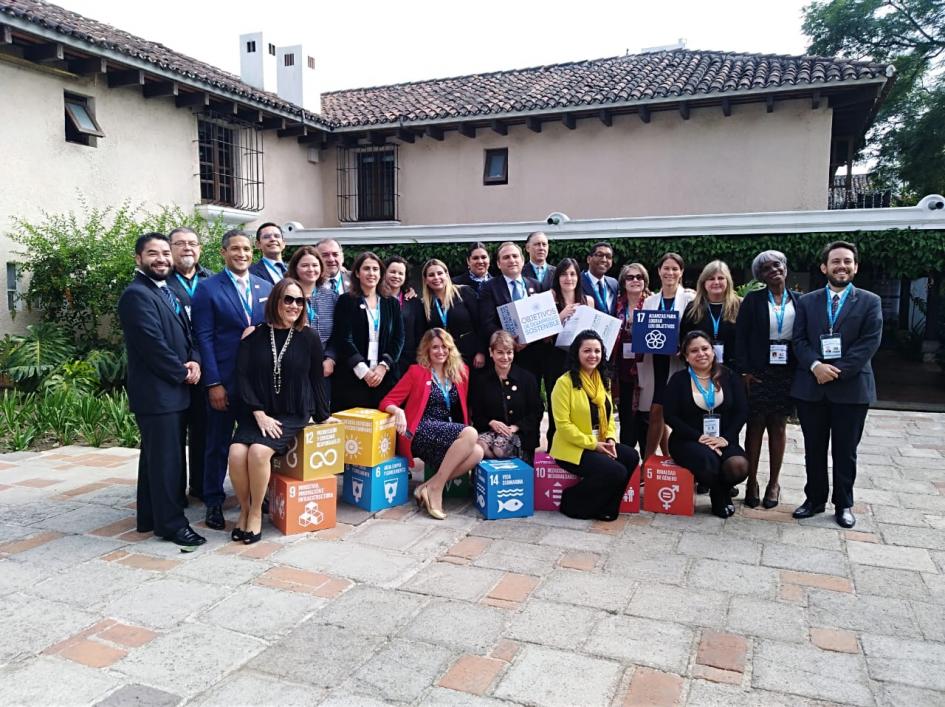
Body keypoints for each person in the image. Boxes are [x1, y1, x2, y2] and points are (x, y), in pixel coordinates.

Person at [117, 233, 205, 547]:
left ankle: (150, 516)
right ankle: (171, 525)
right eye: (153, 253)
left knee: (156, 458)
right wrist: (181, 371)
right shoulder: (136, 295)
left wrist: (194, 360)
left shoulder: (167, 291)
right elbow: (151, 344)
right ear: (138, 259)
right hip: (158, 393)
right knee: (167, 460)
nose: (162, 259)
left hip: (174, 390)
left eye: (166, 253)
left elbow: (187, 333)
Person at [229, 278, 332, 544]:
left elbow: (316, 378)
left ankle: (255, 513)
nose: (295, 305)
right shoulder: (254, 335)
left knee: (259, 452)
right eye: (288, 299)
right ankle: (243, 509)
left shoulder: (308, 336)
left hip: (292, 411)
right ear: (276, 300)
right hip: (259, 411)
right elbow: (243, 378)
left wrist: (323, 415)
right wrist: (258, 412)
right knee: (237, 452)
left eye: (300, 301)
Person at [791, 241, 882, 529]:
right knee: (813, 449)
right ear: (824, 267)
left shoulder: (870, 301)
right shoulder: (807, 301)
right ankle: (814, 500)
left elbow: (869, 343)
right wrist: (816, 366)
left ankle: (843, 504)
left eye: (847, 262)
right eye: (835, 262)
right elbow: (799, 340)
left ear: (855, 267)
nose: (841, 266)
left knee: (845, 450)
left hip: (851, 389)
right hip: (812, 386)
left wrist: (837, 371)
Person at [191, 229, 273, 530]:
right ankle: (213, 500)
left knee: (256, 442)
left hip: (257, 384)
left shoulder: (264, 286)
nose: (242, 254)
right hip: (224, 380)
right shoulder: (208, 288)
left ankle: (256, 496)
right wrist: (213, 383)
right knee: (218, 443)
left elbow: (274, 329)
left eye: (247, 249)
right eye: (235, 249)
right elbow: (204, 337)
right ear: (223, 253)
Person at [381, 329, 483, 520]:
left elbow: (464, 407)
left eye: (444, 346)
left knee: (478, 452)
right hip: (420, 430)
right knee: (470, 433)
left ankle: (428, 486)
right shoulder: (416, 372)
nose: (440, 351)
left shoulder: (461, 372)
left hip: (445, 430)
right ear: (427, 350)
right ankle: (435, 490)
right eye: (435, 347)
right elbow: (387, 401)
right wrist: (399, 411)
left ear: (450, 349)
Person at [550, 330, 639, 521]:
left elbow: (610, 416)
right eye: (587, 351)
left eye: (597, 351)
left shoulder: (602, 380)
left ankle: (607, 507)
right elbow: (564, 426)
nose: (593, 355)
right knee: (616, 471)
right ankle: (572, 502)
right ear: (577, 353)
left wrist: (610, 439)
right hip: (572, 448)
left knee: (631, 456)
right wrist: (594, 445)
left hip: (599, 442)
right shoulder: (564, 383)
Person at [735, 250, 801, 509]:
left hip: (786, 370)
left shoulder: (800, 300)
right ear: (760, 276)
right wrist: (744, 371)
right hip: (758, 370)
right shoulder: (753, 300)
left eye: (777, 265)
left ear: (785, 267)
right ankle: (751, 482)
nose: (773, 270)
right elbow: (741, 336)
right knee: (754, 426)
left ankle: (774, 483)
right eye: (765, 269)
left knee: (779, 425)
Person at [662, 331, 750, 518]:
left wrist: (726, 439)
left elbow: (742, 411)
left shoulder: (729, 376)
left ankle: (721, 490)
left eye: (705, 348)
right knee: (708, 460)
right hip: (687, 439)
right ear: (685, 356)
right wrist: (699, 437)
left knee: (738, 466)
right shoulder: (678, 380)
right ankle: (720, 495)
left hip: (722, 438)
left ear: (713, 350)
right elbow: (670, 416)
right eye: (694, 351)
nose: (701, 354)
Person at [166, 226, 214, 502]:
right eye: (180, 243)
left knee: (204, 430)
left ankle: (201, 486)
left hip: (207, 368)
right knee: (175, 434)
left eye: (192, 243)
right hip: (177, 368)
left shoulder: (212, 279)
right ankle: (175, 491)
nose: (187, 248)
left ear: (200, 249)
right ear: (170, 248)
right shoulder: (162, 283)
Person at [331, 251, 405, 411]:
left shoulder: (391, 302)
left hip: (384, 377)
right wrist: (363, 370)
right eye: (366, 269)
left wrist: (383, 366)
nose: (371, 273)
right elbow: (343, 338)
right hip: (353, 378)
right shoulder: (346, 301)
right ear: (357, 273)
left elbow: (398, 339)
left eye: (375, 269)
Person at [638, 252, 694, 461]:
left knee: (669, 412)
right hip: (657, 362)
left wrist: (684, 347)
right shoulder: (650, 301)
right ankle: (653, 461)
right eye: (666, 268)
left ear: (681, 272)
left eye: (674, 269)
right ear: (659, 271)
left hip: (680, 363)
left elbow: (694, 331)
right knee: (656, 411)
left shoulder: (690, 298)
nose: (670, 272)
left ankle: (661, 459)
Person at [470, 330, 543, 464]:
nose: (505, 357)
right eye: (500, 352)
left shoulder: (527, 378)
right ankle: (494, 478)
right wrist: (490, 422)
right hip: (491, 432)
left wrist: (516, 427)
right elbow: (476, 415)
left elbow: (537, 411)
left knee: (499, 448)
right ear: (491, 352)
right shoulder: (482, 380)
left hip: (520, 434)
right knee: (479, 447)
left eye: (509, 352)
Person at [546, 257, 595, 447]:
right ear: (558, 277)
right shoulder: (551, 298)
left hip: (580, 360)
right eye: (564, 274)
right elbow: (543, 336)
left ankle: (579, 445)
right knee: (556, 406)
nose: (569, 278)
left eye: (573, 274)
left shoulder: (587, 300)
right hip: (554, 358)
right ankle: (554, 447)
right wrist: (561, 315)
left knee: (579, 405)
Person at [412, 258, 485, 369]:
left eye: (440, 273)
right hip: (441, 359)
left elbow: (480, 323)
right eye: (431, 275)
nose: (436, 278)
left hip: (470, 355)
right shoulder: (424, 304)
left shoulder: (464, 293)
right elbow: (423, 335)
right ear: (426, 280)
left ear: (446, 275)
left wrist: (481, 351)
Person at [286, 246, 338, 384]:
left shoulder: (332, 297)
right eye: (305, 265)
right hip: (292, 368)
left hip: (324, 369)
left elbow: (338, 334)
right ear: (295, 268)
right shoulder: (286, 296)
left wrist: (330, 359)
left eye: (315, 265)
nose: (311, 269)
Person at [614, 263, 651, 458]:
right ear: (623, 282)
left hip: (647, 368)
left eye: (639, 277)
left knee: (645, 419)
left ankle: (647, 465)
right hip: (622, 370)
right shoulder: (616, 304)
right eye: (630, 277)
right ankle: (627, 463)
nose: (635, 280)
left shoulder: (653, 303)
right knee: (626, 418)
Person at [680, 260, 741, 371]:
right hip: (700, 369)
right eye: (711, 279)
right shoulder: (693, 308)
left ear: (728, 281)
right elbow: (684, 339)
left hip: (733, 370)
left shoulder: (740, 306)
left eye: (721, 278)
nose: (716, 282)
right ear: (704, 282)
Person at [383, 256, 420, 376]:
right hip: (380, 361)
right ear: (384, 273)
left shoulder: (413, 301)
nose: (396, 276)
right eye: (392, 272)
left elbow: (419, 333)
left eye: (400, 273)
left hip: (407, 362)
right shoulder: (375, 299)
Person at [581, 242, 619, 315]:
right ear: (589, 259)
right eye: (599, 255)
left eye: (608, 256)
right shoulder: (576, 282)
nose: (604, 260)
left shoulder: (614, 284)